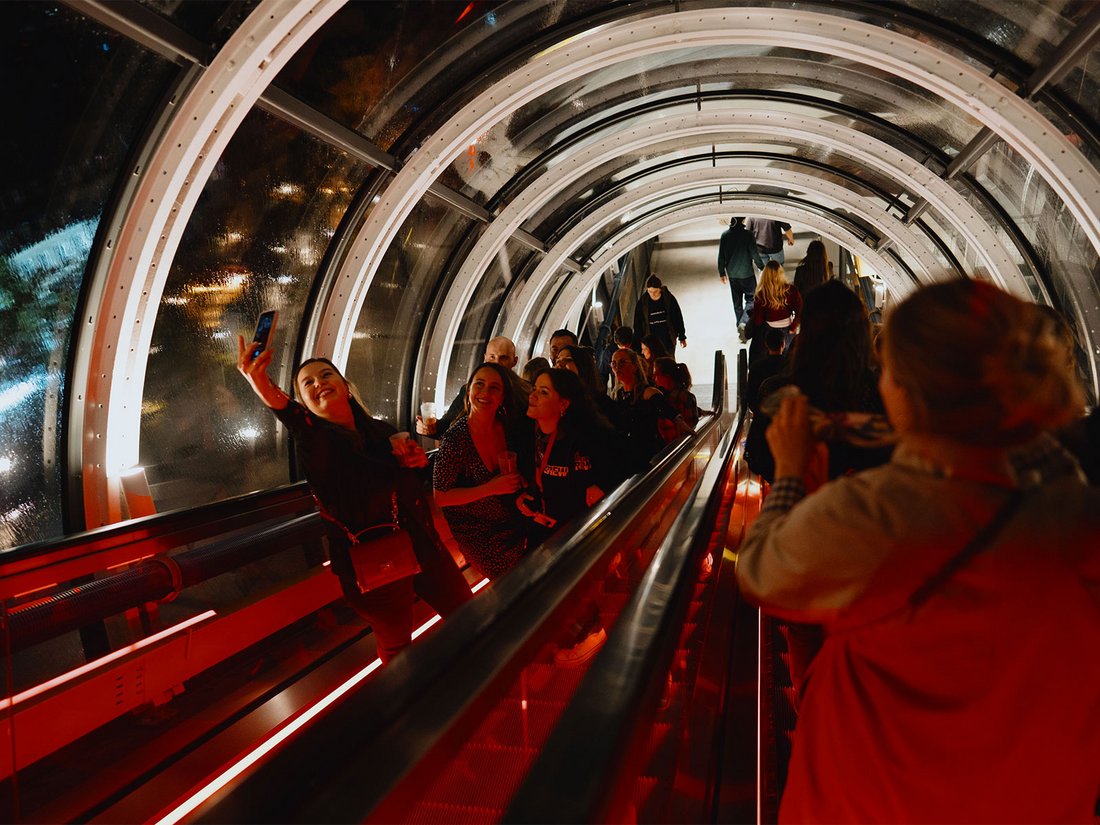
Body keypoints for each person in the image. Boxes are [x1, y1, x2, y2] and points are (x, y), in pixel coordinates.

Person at [736, 279, 1100, 822]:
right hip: (1035, 798)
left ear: (911, 388)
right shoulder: (1077, 511)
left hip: (880, 797)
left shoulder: (880, 515)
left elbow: (761, 570)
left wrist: (790, 471)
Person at [236, 340, 472, 665]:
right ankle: (407, 709)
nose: (320, 383)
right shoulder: (317, 446)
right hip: (375, 560)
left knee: (470, 618)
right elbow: (296, 423)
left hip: (423, 545)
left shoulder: (380, 432)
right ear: (304, 404)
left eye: (326, 375)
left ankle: (493, 686)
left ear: (345, 388)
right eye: (309, 384)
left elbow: (406, 488)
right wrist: (261, 382)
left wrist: (415, 464)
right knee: (397, 649)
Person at [516, 369, 629, 665]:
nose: (533, 396)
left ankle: (590, 634)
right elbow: (536, 481)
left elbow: (613, 476)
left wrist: (599, 486)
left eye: (544, 392)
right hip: (544, 528)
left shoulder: (585, 441)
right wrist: (525, 499)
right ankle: (569, 637)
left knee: (569, 589)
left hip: (576, 532)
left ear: (564, 404)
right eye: (534, 389)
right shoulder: (531, 435)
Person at [746, 280, 891, 484]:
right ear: (862, 334)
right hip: (867, 508)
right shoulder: (879, 393)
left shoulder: (779, 394)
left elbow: (757, 459)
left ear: (806, 334)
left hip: (797, 504)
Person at [433, 362, 530, 579]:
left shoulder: (508, 427)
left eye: (494, 387)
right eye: (480, 384)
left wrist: (520, 482)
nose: (485, 393)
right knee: (515, 583)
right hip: (480, 533)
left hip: (513, 519)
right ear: (469, 392)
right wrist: (490, 488)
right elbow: (440, 497)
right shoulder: (456, 439)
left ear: (503, 397)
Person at [417, 336, 529, 439]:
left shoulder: (526, 392)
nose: (497, 363)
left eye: (503, 358)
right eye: (492, 357)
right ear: (485, 358)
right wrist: (428, 428)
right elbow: (447, 426)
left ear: (515, 361)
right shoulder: (470, 391)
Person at [610, 347, 692, 463]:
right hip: (629, 454)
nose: (617, 367)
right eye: (614, 363)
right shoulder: (618, 394)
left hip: (649, 454)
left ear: (635, 366)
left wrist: (680, 421)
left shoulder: (647, 391)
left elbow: (666, 408)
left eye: (622, 362)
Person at [718, 216, 765, 341]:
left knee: (737, 303)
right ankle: (743, 323)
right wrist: (763, 267)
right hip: (747, 274)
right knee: (752, 300)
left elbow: (721, 255)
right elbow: (754, 253)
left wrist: (722, 272)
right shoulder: (748, 235)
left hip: (733, 275)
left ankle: (740, 327)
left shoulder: (725, 236)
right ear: (742, 221)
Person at [748, 261, 802, 361]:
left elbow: (758, 321)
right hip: (788, 329)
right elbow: (800, 310)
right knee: (788, 358)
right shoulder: (791, 290)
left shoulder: (761, 295)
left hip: (769, 330)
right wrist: (793, 326)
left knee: (770, 357)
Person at [632, 275, 686, 353]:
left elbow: (677, 317)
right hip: (650, 341)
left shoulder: (669, 299)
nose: (652, 294)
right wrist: (638, 344)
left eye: (655, 291)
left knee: (669, 361)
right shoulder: (642, 303)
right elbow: (637, 324)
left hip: (667, 338)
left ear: (660, 289)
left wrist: (682, 336)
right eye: (650, 291)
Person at [744, 328, 786, 413]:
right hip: (786, 411)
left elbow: (750, 396)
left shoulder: (756, 367)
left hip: (763, 413)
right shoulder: (790, 365)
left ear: (766, 345)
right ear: (783, 344)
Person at [652, 357, 699, 431]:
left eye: (656, 375)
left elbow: (690, 429)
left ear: (667, 376)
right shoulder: (661, 398)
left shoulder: (684, 398)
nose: (654, 378)